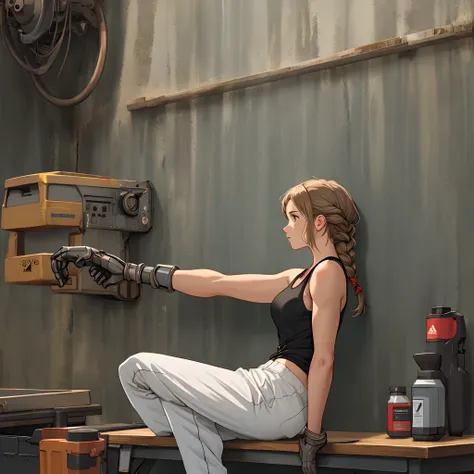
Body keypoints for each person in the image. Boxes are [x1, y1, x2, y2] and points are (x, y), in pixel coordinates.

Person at [50, 178, 365, 474]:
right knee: (183, 410)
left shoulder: (327, 273)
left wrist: (313, 434)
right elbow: (218, 283)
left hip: (279, 396)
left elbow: (324, 359)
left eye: (295, 217)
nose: (287, 227)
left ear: (319, 222)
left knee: (137, 369)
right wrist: (132, 271)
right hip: (266, 388)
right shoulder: (298, 276)